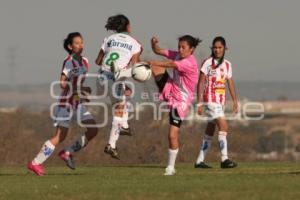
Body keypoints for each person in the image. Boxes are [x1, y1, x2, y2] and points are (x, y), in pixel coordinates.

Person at [27, 32, 98, 176]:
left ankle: (68, 152)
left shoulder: (85, 61)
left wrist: (82, 90)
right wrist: (78, 89)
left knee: (93, 129)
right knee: (60, 136)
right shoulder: (68, 61)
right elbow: (63, 83)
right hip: (66, 103)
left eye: (82, 42)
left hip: (77, 101)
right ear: (70, 46)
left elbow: (77, 83)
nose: (80, 45)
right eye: (76, 43)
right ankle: (35, 163)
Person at [148, 35, 200, 175]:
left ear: (192, 49)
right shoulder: (178, 55)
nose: (180, 50)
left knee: (172, 135)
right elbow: (159, 51)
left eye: (183, 47)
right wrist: (153, 45)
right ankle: (133, 73)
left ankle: (171, 167)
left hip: (181, 101)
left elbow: (171, 64)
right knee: (154, 66)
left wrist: (156, 62)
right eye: (179, 47)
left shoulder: (190, 62)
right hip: (171, 88)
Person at [95, 14, 142, 159]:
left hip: (101, 77)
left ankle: (125, 126)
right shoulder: (135, 43)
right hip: (115, 78)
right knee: (119, 110)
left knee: (121, 102)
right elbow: (135, 67)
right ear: (128, 26)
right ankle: (111, 144)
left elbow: (98, 61)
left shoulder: (108, 39)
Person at [195, 36, 238, 169]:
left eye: (220, 47)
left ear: (225, 49)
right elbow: (201, 82)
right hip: (210, 100)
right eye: (215, 47)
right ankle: (224, 159)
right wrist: (199, 102)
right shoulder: (208, 62)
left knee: (210, 130)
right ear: (212, 49)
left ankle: (199, 161)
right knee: (224, 127)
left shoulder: (228, 65)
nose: (217, 50)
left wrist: (235, 99)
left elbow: (230, 82)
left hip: (220, 102)